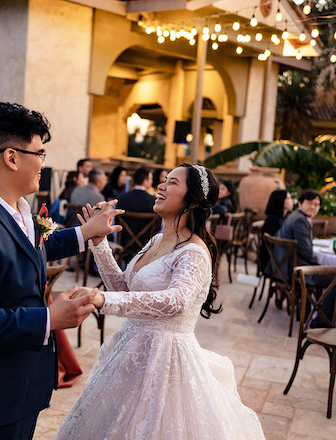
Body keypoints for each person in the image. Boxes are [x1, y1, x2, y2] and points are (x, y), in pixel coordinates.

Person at [0, 102, 122, 440]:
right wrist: (50, 318)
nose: (44, 163)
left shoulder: (13, 205)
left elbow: (29, 246)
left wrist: (86, 233)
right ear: (12, 157)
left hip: (16, 386)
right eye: (40, 152)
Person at [54, 163, 266, 439]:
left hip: (165, 362)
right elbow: (123, 287)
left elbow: (175, 301)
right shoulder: (155, 240)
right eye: (163, 180)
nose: (161, 186)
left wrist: (102, 299)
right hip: (131, 350)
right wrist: (99, 242)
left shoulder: (194, 253)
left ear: (191, 201)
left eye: (172, 183)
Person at [276, 190, 336, 328]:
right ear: (300, 203)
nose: (313, 207)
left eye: (317, 204)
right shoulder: (299, 220)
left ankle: (312, 314)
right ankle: (320, 322)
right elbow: (306, 251)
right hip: (294, 270)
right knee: (335, 279)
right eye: (309, 203)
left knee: (331, 275)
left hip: (286, 265)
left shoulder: (295, 216)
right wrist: (320, 267)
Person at [259, 189, 293, 309]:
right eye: (288, 198)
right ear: (281, 201)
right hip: (271, 263)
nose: (291, 201)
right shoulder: (272, 220)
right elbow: (272, 247)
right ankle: (283, 291)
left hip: (279, 259)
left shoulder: (286, 218)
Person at [115, 166, 158, 262]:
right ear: (145, 181)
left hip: (124, 243)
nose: (151, 182)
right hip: (146, 245)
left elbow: (117, 222)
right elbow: (157, 227)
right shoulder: (153, 202)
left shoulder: (122, 199)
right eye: (150, 179)